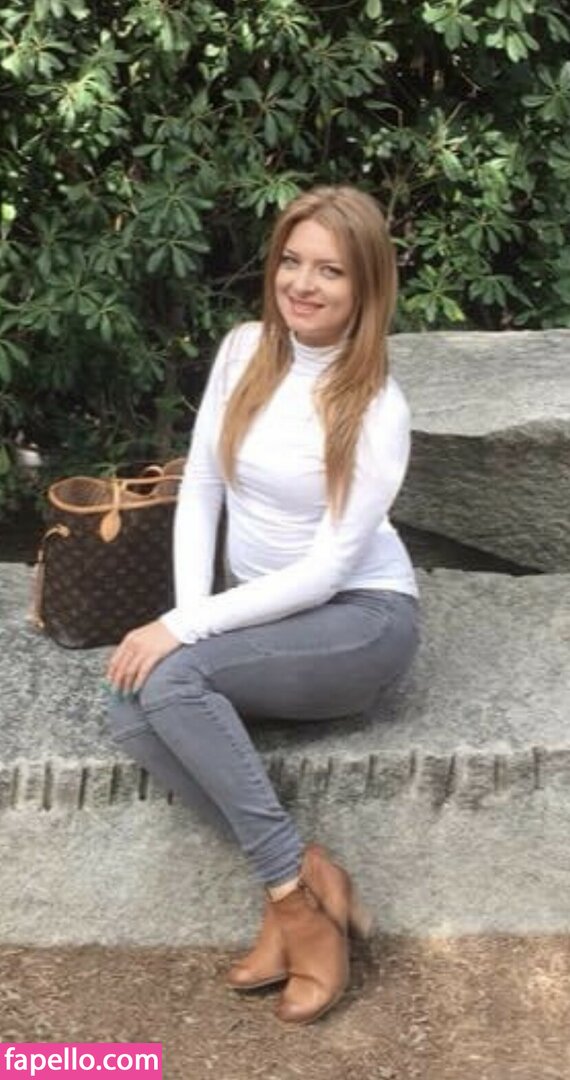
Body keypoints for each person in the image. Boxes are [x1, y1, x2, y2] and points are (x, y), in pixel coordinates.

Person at [105, 184, 419, 1025]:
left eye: (330, 271)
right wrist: (186, 623)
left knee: (169, 681)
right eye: (291, 261)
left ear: (367, 286)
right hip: (262, 610)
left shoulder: (376, 406)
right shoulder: (245, 347)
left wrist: (183, 632)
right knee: (130, 704)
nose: (302, 284)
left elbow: (325, 571)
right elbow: (202, 488)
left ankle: (296, 914)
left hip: (360, 619)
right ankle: (308, 875)